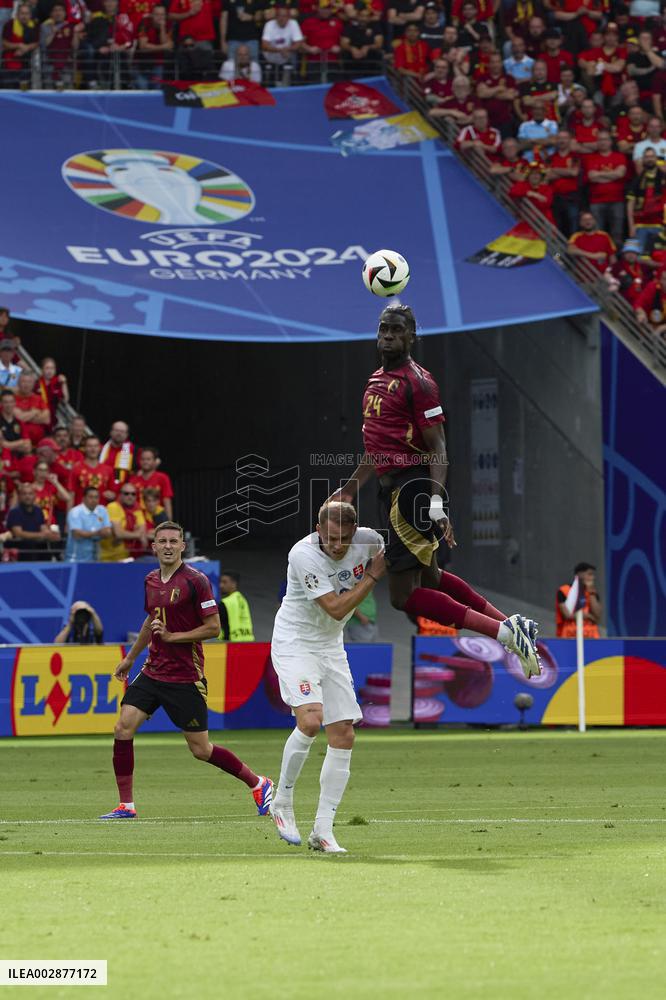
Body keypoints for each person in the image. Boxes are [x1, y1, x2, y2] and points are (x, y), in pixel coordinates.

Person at [331, 304, 541, 679]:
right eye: (383, 328)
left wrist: (436, 500)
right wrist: (350, 488)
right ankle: (510, 625)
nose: (389, 335)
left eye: (397, 330)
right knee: (430, 580)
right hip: (391, 492)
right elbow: (377, 446)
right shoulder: (375, 380)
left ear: (412, 337)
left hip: (410, 491)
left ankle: (503, 633)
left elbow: (438, 447)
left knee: (401, 597)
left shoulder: (420, 383)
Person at [100, 521, 273, 820]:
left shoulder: (196, 581)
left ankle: (259, 783)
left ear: (182, 546)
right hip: (153, 670)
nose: (167, 546)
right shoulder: (151, 580)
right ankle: (125, 805)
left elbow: (214, 628)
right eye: (162, 541)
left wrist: (172, 637)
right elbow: (150, 621)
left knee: (201, 749)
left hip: (185, 676)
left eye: (173, 541)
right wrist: (130, 658)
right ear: (153, 546)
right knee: (122, 727)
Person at [269, 501, 385, 853]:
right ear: (318, 529)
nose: (337, 546)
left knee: (344, 733)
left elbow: (408, 550)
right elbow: (335, 608)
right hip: (295, 642)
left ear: (355, 532)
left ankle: (322, 830)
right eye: (331, 537)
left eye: (345, 539)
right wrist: (375, 575)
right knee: (310, 719)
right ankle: (282, 802)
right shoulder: (302, 555)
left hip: (331, 647)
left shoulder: (370, 541)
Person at [6, 481, 55, 561]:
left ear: (35, 495)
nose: (27, 496)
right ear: (19, 496)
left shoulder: (38, 510)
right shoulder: (14, 512)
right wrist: (41, 535)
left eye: (30, 494)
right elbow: (18, 533)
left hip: (38, 550)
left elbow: (43, 528)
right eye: (24, 494)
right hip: (20, 552)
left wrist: (50, 534)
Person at [99, 481, 147, 561]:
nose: (130, 496)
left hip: (126, 556)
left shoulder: (137, 509)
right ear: (120, 495)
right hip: (108, 557)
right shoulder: (113, 506)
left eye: (133, 494)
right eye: (126, 493)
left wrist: (127, 534)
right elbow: (119, 533)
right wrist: (137, 535)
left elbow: (142, 531)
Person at [65, 485, 113, 562]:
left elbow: (108, 532)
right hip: (75, 559)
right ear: (83, 498)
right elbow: (76, 534)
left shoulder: (103, 510)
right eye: (90, 497)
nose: (94, 500)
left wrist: (90, 533)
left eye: (96, 497)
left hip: (95, 559)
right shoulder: (75, 512)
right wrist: (98, 533)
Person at [555, 562, 602, 637]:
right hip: (569, 634)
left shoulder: (593, 593)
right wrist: (587, 616)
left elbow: (597, 616)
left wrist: (591, 593)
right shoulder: (564, 590)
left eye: (593, 575)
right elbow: (567, 615)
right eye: (589, 574)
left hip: (591, 635)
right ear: (579, 574)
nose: (592, 578)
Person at [70, 435, 117, 506]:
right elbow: (71, 495)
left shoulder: (108, 469)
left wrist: (112, 496)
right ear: (84, 448)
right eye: (89, 446)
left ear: (100, 448)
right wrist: (69, 515)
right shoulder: (76, 468)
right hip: (81, 513)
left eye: (95, 446)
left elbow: (113, 494)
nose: (93, 449)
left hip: (101, 513)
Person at [131, 446, 174, 519]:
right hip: (139, 519)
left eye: (148, 459)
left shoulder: (163, 477)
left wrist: (169, 523)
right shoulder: (133, 480)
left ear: (155, 461)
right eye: (142, 459)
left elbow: (166, 501)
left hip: (158, 518)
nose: (145, 462)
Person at [218, 571, 255, 641]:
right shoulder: (242, 599)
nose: (221, 585)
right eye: (220, 582)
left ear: (234, 583)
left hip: (230, 644)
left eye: (224, 582)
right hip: (248, 641)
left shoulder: (225, 603)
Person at [100, 420, 135, 486]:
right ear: (111, 432)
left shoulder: (133, 451)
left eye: (122, 431)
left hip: (123, 491)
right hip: (102, 488)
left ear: (127, 434)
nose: (119, 434)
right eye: (116, 430)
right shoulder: (100, 449)